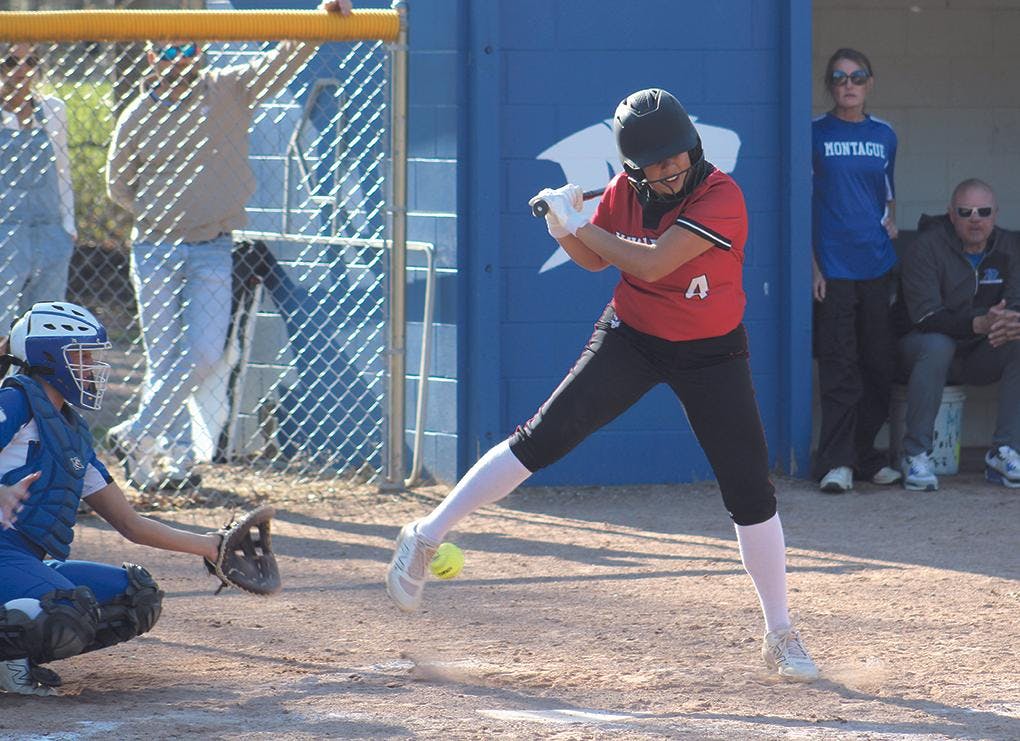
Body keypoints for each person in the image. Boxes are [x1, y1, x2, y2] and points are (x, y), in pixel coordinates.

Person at [387, 88, 819, 682]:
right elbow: (594, 262)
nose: (670, 174)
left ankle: (779, 632)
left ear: (693, 148)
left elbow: (651, 263)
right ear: (634, 169)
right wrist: (564, 229)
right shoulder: (624, 193)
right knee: (543, 437)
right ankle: (424, 534)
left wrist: (577, 222)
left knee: (749, 488)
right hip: (633, 337)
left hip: (712, 352)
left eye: (677, 160)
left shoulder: (722, 195)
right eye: (656, 167)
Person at [104, 0, 352, 493]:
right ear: (150, 54)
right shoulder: (136, 113)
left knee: (203, 353)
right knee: (164, 357)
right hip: (154, 248)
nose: (177, 54)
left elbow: (283, 60)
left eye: (187, 44)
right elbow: (119, 186)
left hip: (214, 247)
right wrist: (163, 213)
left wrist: (321, 21)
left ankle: (135, 432)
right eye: (166, 46)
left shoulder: (231, 90)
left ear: (203, 47)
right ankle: (168, 463)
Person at [0, 301, 222, 696]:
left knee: (133, 598)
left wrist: (212, 546)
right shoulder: (14, 400)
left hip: (23, 557)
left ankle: (11, 659)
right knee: (65, 610)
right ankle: (10, 663)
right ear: (47, 357)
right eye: (81, 356)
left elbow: (130, 524)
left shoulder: (71, 431)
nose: (92, 368)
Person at [811, 47, 902, 494]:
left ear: (870, 83)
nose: (849, 84)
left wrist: (890, 218)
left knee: (880, 365)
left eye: (858, 77)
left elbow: (887, 193)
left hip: (877, 264)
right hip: (834, 268)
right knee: (840, 366)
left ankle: (865, 456)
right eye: (840, 77)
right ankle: (838, 463)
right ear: (830, 85)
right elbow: (803, 204)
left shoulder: (885, 134)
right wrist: (813, 267)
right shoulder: (814, 133)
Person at [892, 179, 1020, 491]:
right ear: (952, 215)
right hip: (919, 349)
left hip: (979, 352)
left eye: (983, 211)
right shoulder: (926, 247)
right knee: (938, 344)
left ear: (995, 214)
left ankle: (1004, 452)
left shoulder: (1008, 246)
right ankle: (915, 454)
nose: (975, 218)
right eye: (966, 212)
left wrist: (1012, 320)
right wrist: (979, 323)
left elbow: (1016, 298)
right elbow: (926, 316)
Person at [0, 45, 77, 334]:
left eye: (30, 61)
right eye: (10, 62)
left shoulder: (53, 110)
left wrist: (68, 226)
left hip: (50, 230)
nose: (21, 70)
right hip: (4, 232)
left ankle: (31, 380)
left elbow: (62, 169)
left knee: (44, 328)